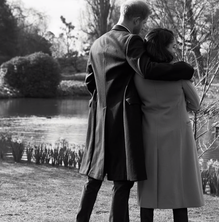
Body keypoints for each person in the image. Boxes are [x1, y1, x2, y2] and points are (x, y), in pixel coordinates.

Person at [76, 1, 194, 222]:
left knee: (94, 178)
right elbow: (147, 69)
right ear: (137, 20)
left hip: (99, 119)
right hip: (123, 119)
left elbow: (90, 83)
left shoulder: (97, 43)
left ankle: (80, 219)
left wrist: (105, 100)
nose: (144, 27)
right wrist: (184, 69)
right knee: (122, 182)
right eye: (144, 22)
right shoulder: (131, 41)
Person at [134, 28, 204, 222]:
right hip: (178, 133)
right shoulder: (178, 73)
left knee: (148, 188)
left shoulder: (138, 75)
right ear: (165, 47)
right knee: (178, 188)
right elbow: (196, 104)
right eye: (173, 45)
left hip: (149, 132)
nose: (175, 49)